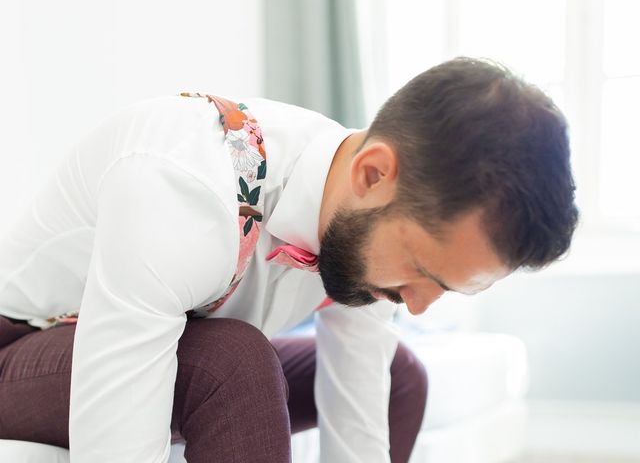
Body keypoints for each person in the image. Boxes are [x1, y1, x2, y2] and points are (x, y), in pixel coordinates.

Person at [0, 57, 578, 462]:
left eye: (449, 288)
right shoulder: (178, 181)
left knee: (399, 376)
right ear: (373, 173)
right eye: (424, 273)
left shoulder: (364, 215)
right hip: (20, 347)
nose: (421, 306)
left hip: (171, 341)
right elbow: (116, 440)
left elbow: (358, 424)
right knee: (234, 362)